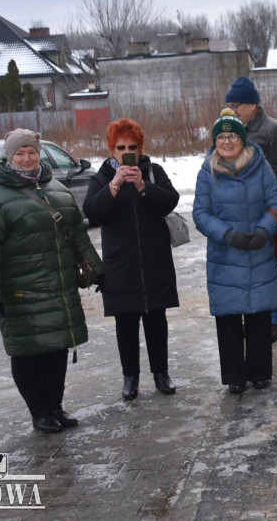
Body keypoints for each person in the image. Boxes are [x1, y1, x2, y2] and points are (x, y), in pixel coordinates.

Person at [0, 129, 101, 434]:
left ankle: (55, 406)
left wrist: (97, 271)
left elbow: (79, 236)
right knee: (28, 352)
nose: (27, 158)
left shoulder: (56, 188)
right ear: (9, 156)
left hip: (58, 286)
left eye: (32, 151)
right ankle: (39, 412)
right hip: (21, 290)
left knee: (57, 347)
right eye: (19, 153)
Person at [83, 118, 181, 401]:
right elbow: (93, 211)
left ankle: (161, 373)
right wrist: (114, 185)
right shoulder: (101, 176)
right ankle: (130, 377)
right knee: (125, 322)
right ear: (111, 149)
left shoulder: (153, 171)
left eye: (132, 147)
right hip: (121, 262)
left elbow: (170, 201)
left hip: (153, 258)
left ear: (140, 148)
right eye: (120, 147)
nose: (126, 151)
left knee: (155, 319)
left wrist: (142, 186)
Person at [193, 109, 277, 394]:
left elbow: (275, 203)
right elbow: (201, 213)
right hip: (225, 255)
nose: (227, 141)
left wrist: (263, 230)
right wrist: (227, 234)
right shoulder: (207, 172)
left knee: (259, 313)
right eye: (221, 136)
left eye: (232, 135)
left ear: (242, 139)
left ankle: (260, 371)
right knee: (229, 317)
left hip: (259, 249)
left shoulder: (261, 166)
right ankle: (234, 375)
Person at [225, 75, 277, 343]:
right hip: (238, 214)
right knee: (248, 266)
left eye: (238, 104)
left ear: (253, 104)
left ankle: (276, 320)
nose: (234, 109)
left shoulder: (272, 130)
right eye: (230, 104)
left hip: (268, 212)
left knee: (272, 265)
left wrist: (264, 204)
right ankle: (256, 317)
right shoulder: (231, 130)